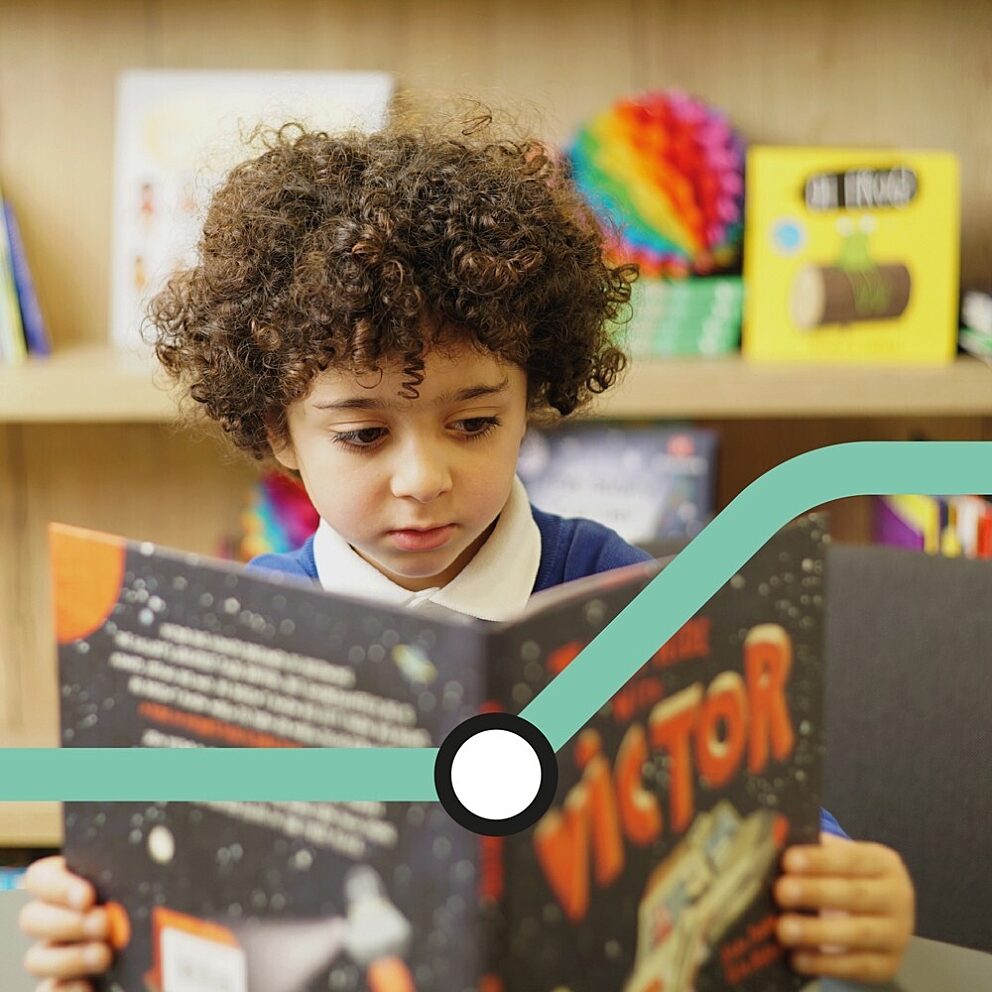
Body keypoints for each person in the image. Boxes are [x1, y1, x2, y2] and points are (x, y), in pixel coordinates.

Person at [19, 113, 914, 990]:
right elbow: (157, 867)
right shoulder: (242, 632)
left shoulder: (625, 595)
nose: (424, 479)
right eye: (365, 435)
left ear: (535, 397)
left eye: (475, 424)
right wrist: (83, 918)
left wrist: (842, 886)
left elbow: (768, 816)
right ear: (278, 431)